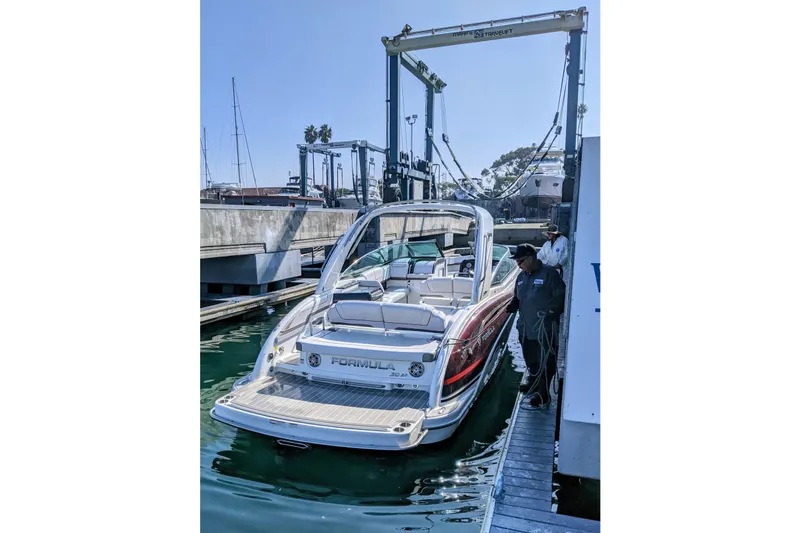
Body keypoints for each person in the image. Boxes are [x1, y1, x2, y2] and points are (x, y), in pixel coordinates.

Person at [506, 243, 566, 408]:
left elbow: (561, 297)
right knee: (531, 359)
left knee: (546, 361)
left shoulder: (550, 274)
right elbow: (517, 297)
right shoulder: (521, 276)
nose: (518, 265)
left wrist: (552, 313)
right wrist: (513, 304)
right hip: (525, 329)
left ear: (531, 258)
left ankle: (543, 393)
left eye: (520, 261)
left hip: (544, 329)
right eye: (516, 262)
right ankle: (533, 382)